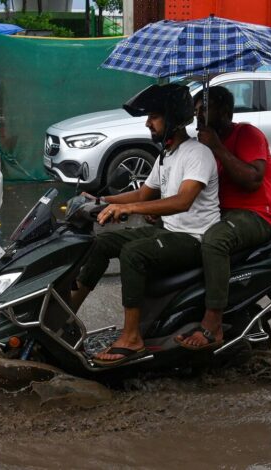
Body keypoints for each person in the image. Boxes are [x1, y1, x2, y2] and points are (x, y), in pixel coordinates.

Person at [70, 83, 220, 367]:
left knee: (134, 253)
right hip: (169, 231)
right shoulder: (168, 154)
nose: (148, 122)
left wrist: (127, 208)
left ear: (174, 118)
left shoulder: (197, 154)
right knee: (100, 243)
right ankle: (67, 315)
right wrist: (100, 199)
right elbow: (143, 193)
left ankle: (131, 338)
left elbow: (183, 201)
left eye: (155, 116)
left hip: (193, 238)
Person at [176, 86, 271, 350]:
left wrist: (217, 147)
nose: (199, 117)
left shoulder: (246, 134)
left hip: (256, 214)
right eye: (196, 111)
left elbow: (253, 180)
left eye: (205, 110)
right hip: (221, 212)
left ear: (225, 112)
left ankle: (213, 323)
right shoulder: (201, 145)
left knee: (214, 240)